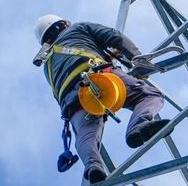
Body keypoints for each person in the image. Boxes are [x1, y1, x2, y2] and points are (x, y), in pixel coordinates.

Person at [33, 14, 171, 184]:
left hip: (74, 102)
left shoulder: (46, 64)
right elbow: (114, 36)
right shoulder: (78, 28)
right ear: (64, 24)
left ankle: (93, 166)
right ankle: (139, 126)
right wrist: (137, 58)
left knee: (86, 136)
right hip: (99, 78)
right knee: (149, 95)